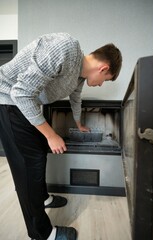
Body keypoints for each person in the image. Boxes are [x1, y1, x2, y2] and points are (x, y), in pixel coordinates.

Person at [0, 32, 122, 240]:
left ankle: (43, 198)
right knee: (28, 168)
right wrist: (52, 135)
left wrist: (79, 124)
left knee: (39, 152)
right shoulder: (64, 48)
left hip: (25, 106)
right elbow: (20, 93)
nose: (101, 85)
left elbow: (75, 99)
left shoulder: (79, 75)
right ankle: (42, 233)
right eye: (105, 81)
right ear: (103, 69)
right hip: (8, 102)